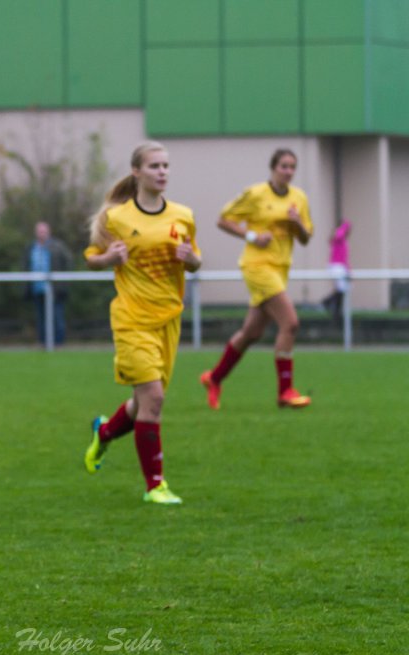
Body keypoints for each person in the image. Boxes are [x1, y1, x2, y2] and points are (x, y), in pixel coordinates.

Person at [82, 141, 200, 506]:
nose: (162, 171)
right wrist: (108, 258)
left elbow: (196, 262)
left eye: (165, 165)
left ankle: (104, 433)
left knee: (142, 404)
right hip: (132, 318)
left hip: (169, 318)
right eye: (154, 166)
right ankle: (155, 486)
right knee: (154, 398)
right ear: (137, 172)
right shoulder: (116, 219)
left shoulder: (182, 215)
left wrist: (191, 258)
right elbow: (91, 258)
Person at [200, 149, 313, 409]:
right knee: (291, 323)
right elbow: (223, 220)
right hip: (257, 266)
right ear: (273, 168)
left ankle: (214, 378)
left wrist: (296, 223)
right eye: (283, 166)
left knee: (251, 333)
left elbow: (306, 238)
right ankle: (285, 392)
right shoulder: (256, 194)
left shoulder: (299, 198)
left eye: (292, 167)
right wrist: (252, 236)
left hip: (280, 269)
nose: (288, 171)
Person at [25, 221, 74, 347]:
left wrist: (62, 281)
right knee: (40, 318)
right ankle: (43, 343)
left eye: (44, 231)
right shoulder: (31, 247)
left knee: (57, 317)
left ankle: (58, 344)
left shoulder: (57, 246)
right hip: (37, 288)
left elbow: (68, 262)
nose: (41, 234)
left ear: (48, 232)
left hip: (54, 289)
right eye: (39, 231)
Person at [322, 219, 351, 326]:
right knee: (341, 290)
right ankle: (328, 303)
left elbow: (345, 258)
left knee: (342, 290)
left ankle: (335, 310)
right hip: (336, 266)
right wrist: (343, 226)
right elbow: (338, 235)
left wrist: (348, 270)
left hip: (340, 266)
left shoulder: (343, 240)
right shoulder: (339, 235)